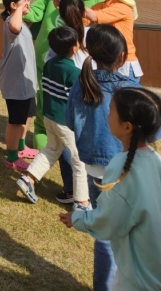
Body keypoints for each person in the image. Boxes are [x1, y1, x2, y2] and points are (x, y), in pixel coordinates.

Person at [60, 87, 161, 291]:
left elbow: (108, 219)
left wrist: (78, 218)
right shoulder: (154, 159)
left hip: (137, 278)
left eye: (111, 110)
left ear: (127, 127)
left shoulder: (121, 167)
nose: (107, 114)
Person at [66, 24, 141, 291]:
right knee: (128, 234)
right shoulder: (130, 89)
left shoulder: (82, 83)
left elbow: (70, 121)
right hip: (126, 170)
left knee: (107, 234)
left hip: (95, 169)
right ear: (122, 57)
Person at [16, 27, 90, 208]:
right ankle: (81, 202)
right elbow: (83, 98)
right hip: (66, 122)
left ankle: (28, 179)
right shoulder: (74, 72)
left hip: (49, 117)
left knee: (51, 149)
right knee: (79, 160)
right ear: (74, 48)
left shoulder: (49, 64)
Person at [56, 0, 142, 81]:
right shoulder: (98, 6)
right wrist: (63, 6)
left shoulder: (123, 6)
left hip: (125, 64)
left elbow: (95, 17)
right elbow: (79, 22)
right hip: (106, 63)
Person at [0, 0, 39, 172]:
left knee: (28, 114)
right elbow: (15, 27)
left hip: (26, 79)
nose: (28, 3)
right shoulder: (11, 22)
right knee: (16, 120)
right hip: (15, 81)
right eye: (23, 0)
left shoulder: (21, 21)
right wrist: (17, 10)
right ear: (13, 5)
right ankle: (12, 157)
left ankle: (21, 147)